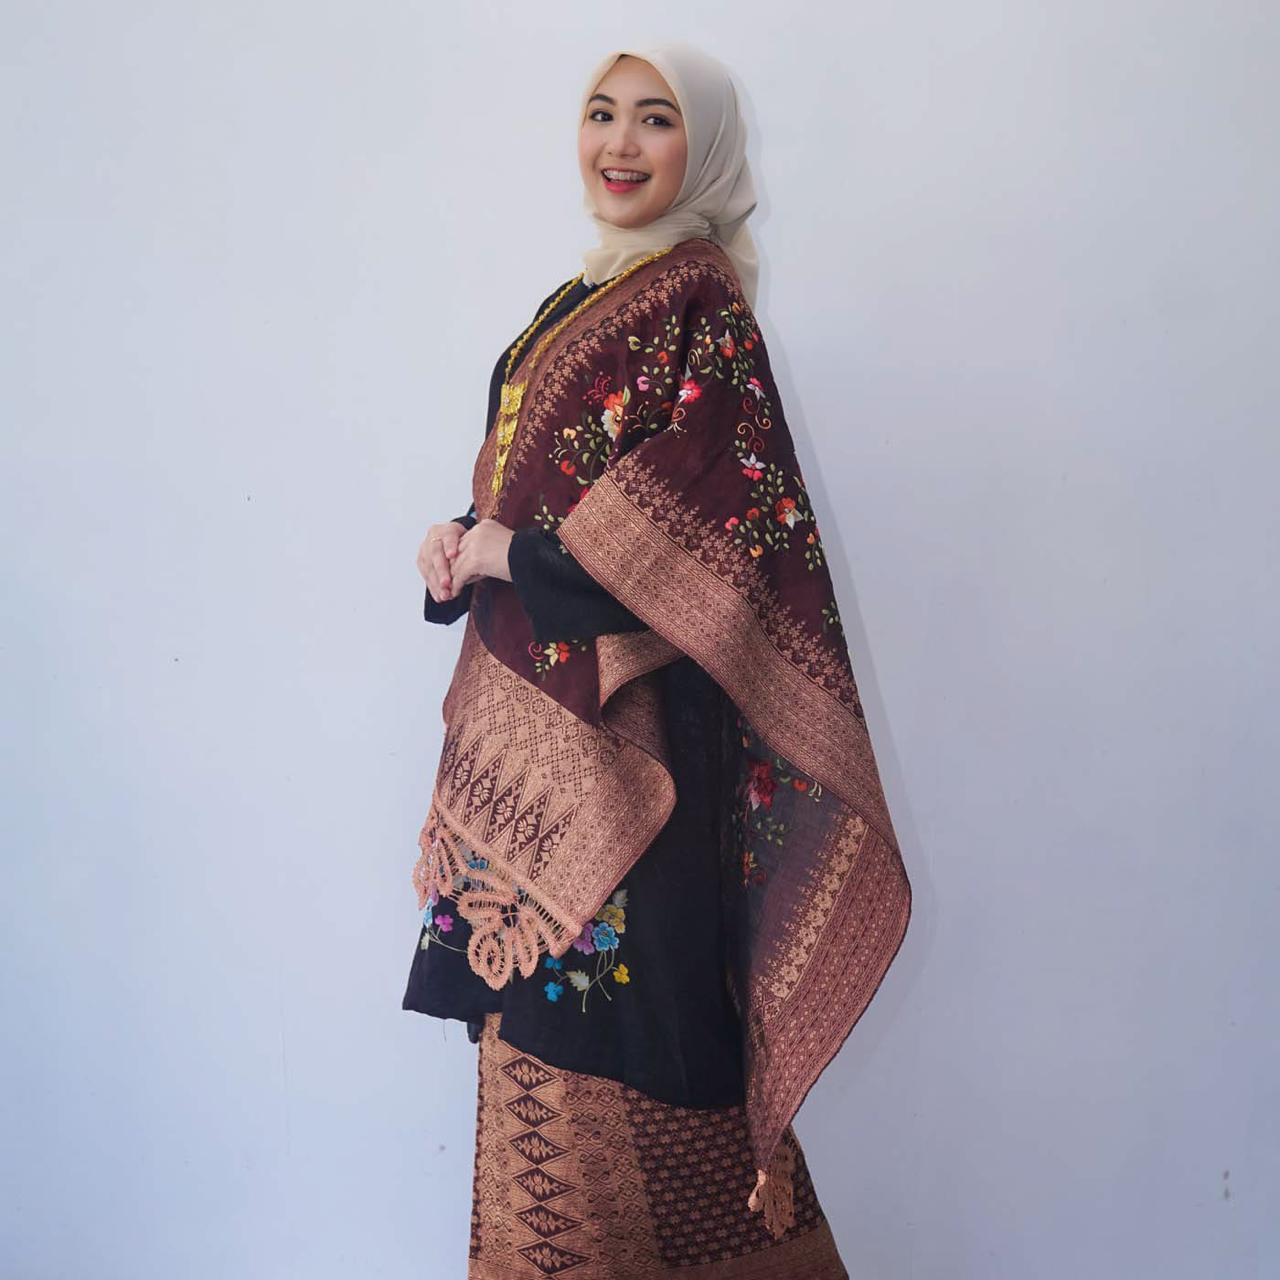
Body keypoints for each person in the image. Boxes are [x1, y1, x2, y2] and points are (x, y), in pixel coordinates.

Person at [403, 42, 912, 1279]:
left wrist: (508, 553)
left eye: (655, 120)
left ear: (707, 148)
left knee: (634, 1060)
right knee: (539, 1060)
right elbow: (540, 506)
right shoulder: (573, 302)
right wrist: (460, 543)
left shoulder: (698, 306)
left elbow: (699, 545)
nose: (619, 145)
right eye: (600, 114)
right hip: (542, 763)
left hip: (642, 763)